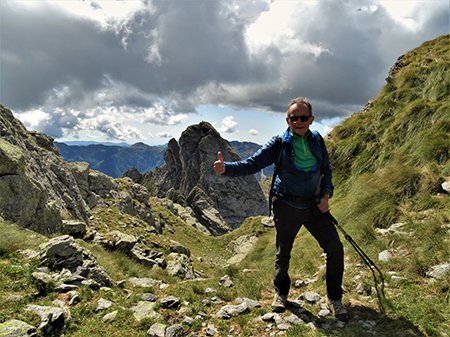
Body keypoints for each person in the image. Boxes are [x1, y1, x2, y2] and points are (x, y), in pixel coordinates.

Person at [213, 97, 348, 321]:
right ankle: (281, 293)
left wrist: (326, 194)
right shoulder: (279, 143)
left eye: (303, 117)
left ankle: (334, 298)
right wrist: (225, 168)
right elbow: (252, 164)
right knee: (283, 253)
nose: (299, 122)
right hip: (287, 206)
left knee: (335, 248)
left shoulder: (317, 140)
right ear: (287, 120)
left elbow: (326, 169)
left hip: (314, 206)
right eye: (294, 118)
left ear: (311, 119)